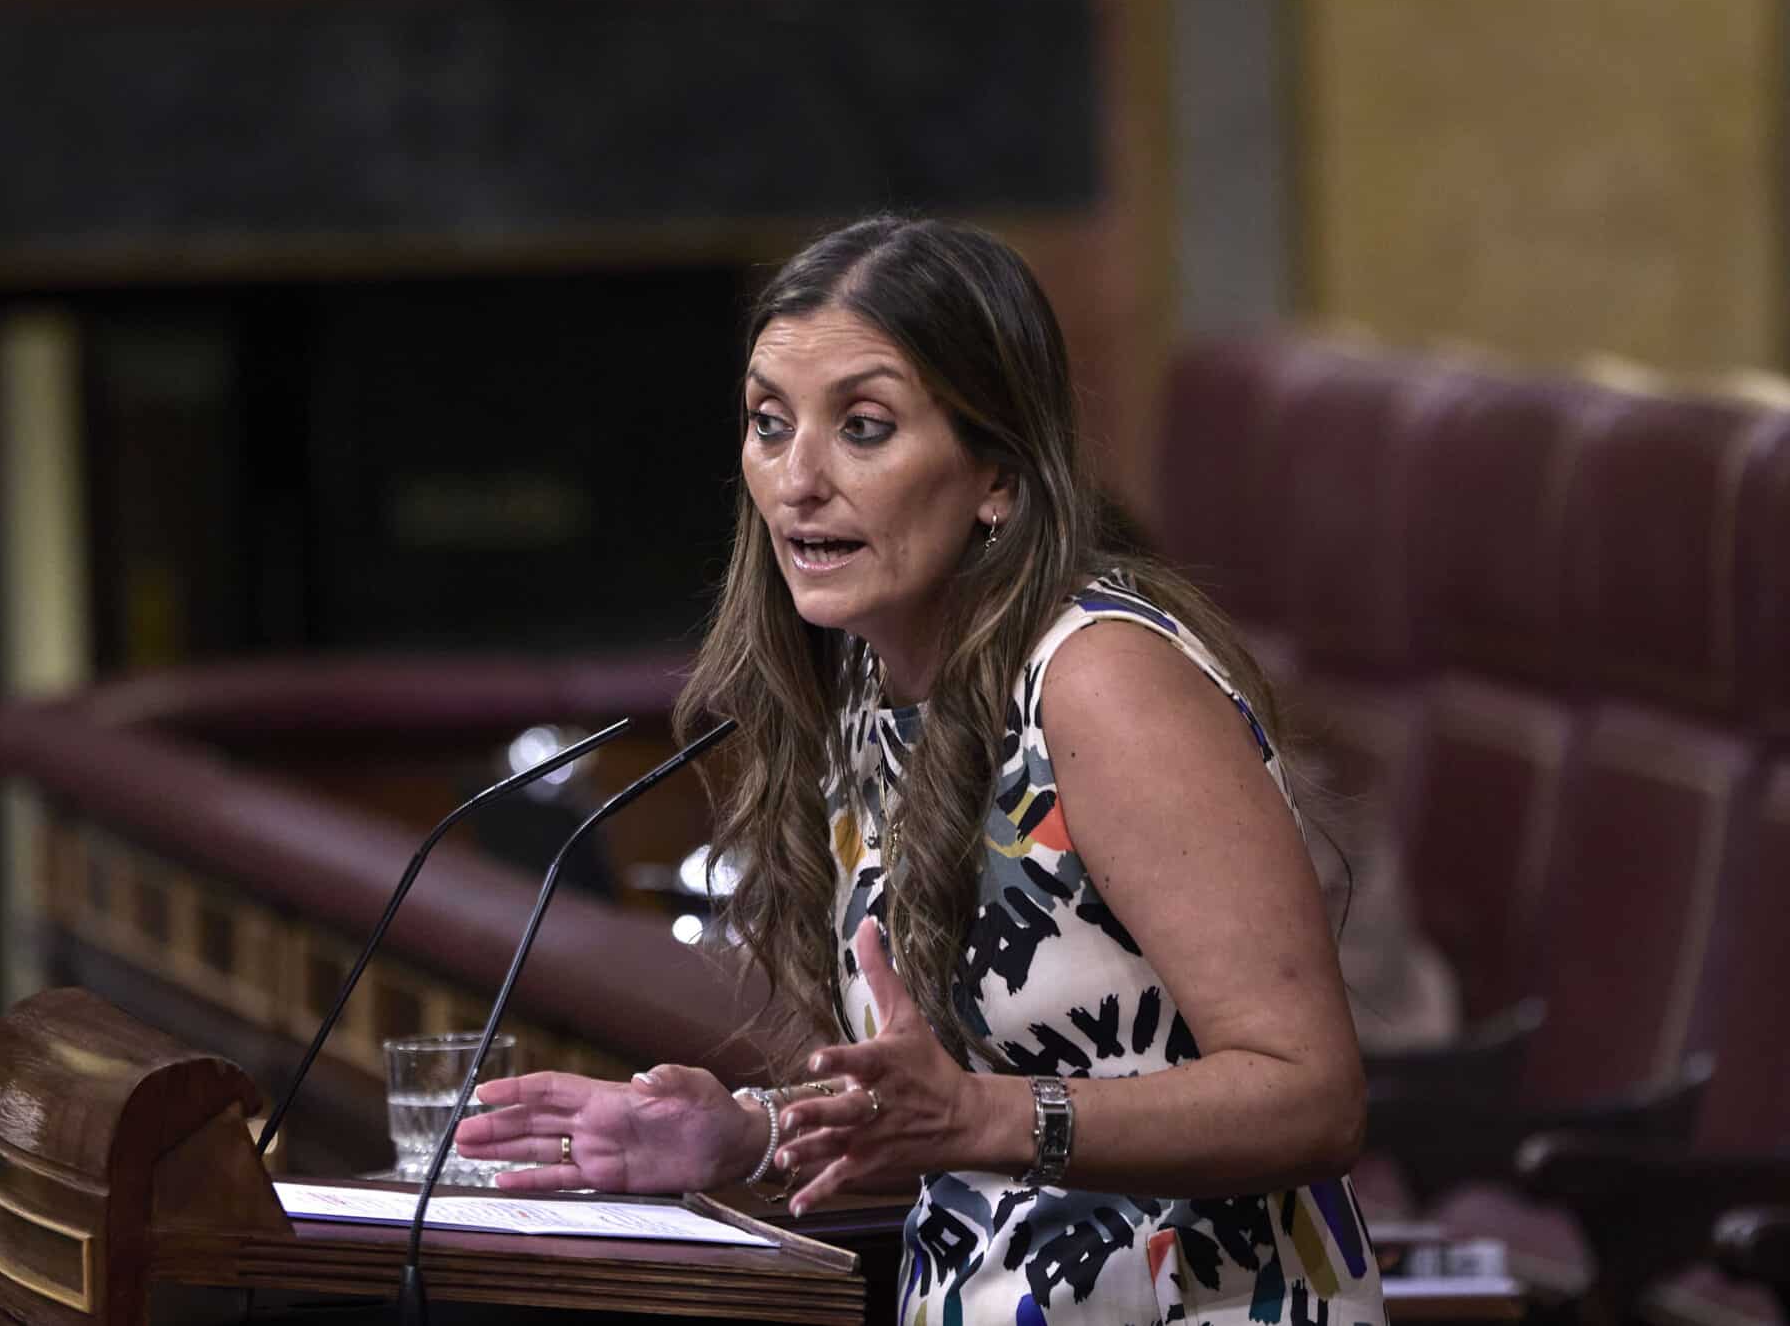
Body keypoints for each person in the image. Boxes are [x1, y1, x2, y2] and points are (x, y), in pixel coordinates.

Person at [456, 216, 1388, 1325]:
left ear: (994, 473)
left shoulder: (1100, 681)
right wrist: (745, 1133)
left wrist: (982, 1122)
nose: (797, 479)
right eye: (767, 424)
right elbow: (941, 1097)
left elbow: (1310, 1094)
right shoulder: (870, 689)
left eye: (863, 427)